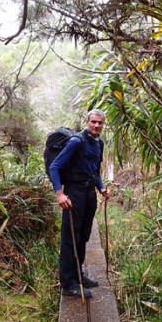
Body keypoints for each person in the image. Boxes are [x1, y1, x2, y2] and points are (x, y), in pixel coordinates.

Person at [49, 109, 111, 298]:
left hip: (89, 194)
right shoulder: (77, 142)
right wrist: (60, 194)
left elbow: (96, 171)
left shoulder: (99, 143)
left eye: (100, 123)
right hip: (74, 193)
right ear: (87, 122)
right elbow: (54, 167)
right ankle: (68, 283)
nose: (96, 125)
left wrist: (101, 188)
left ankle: (78, 275)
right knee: (70, 237)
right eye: (93, 122)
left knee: (83, 235)